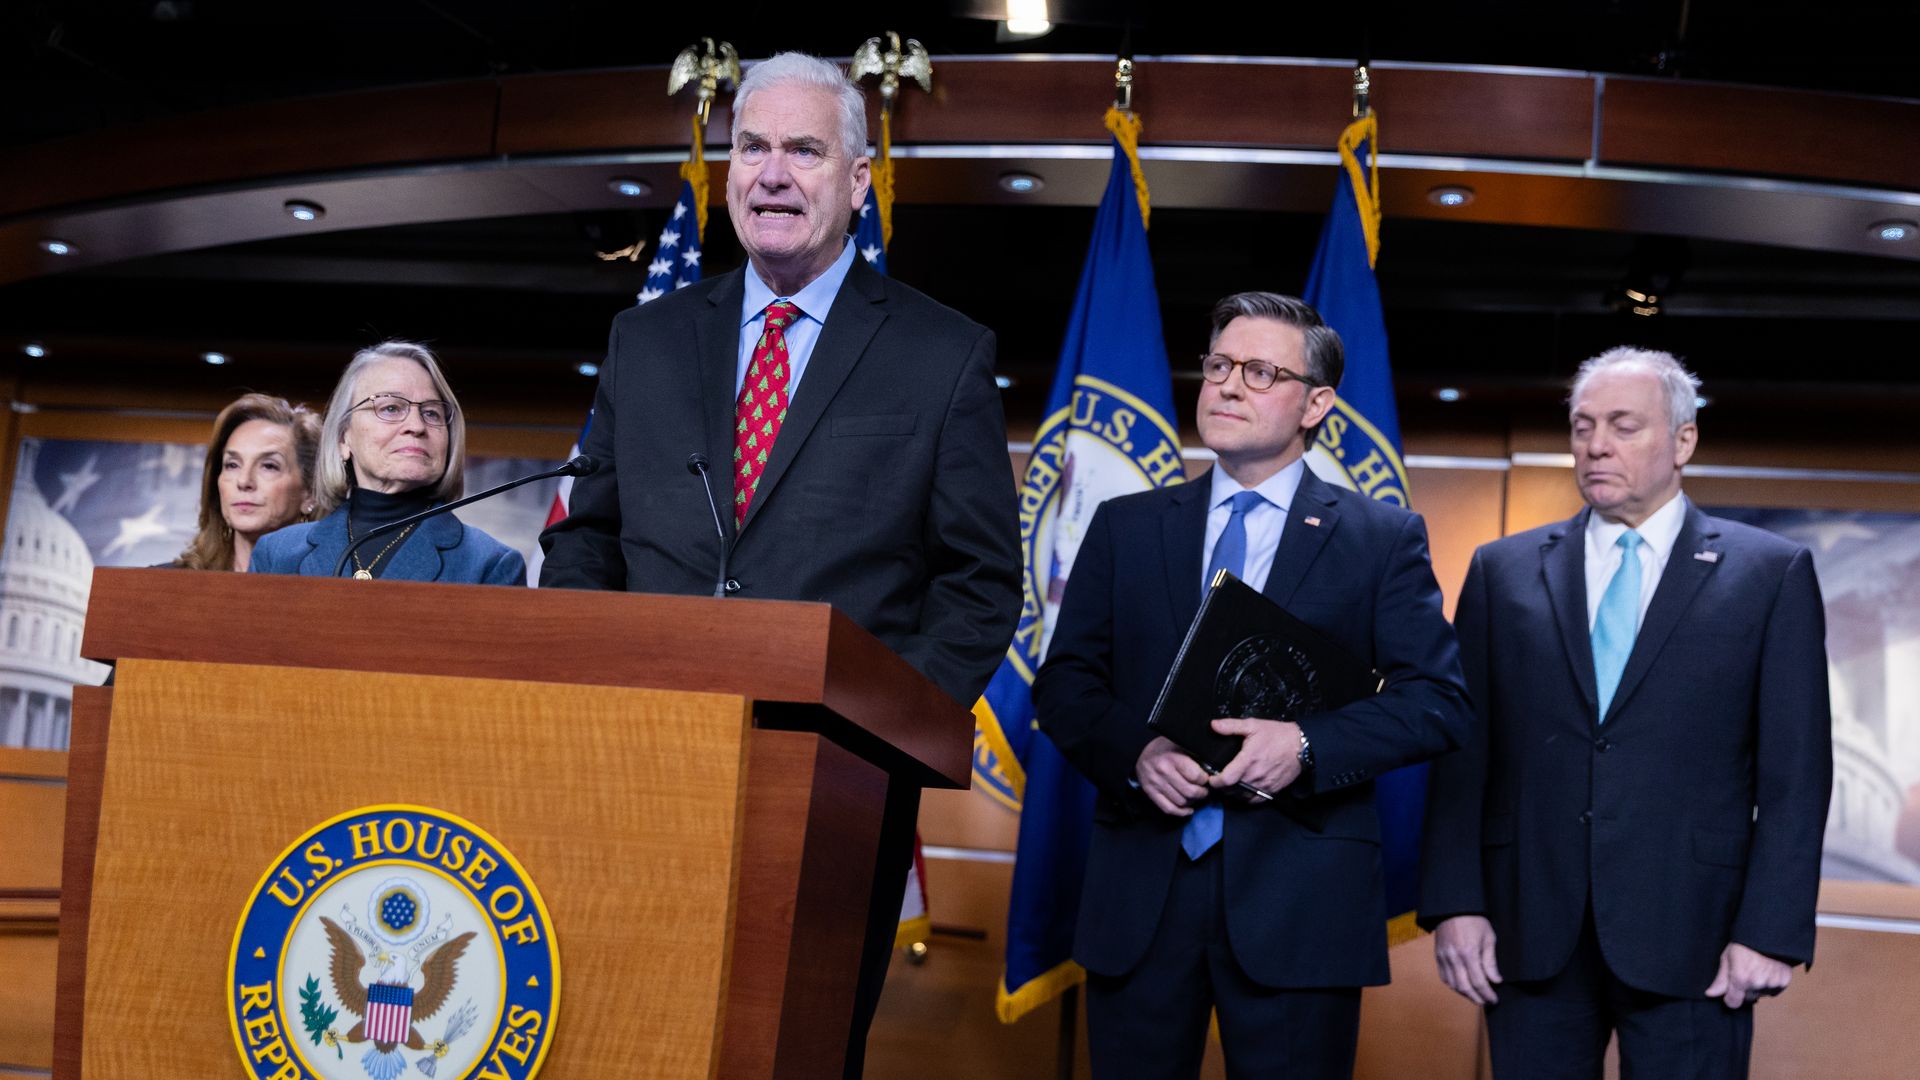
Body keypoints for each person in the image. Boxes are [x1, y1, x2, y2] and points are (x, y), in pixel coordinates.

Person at [537, 52, 1020, 1074]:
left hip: (836, 789)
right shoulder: (647, 338)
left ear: (858, 181)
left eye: (804, 150)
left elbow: (978, 581)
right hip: (647, 762)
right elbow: (586, 534)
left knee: (795, 1049)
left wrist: (883, 733)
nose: (771, 173)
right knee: (625, 1034)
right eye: (751, 147)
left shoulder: (943, 354)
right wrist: (601, 685)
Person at [1034, 292, 1471, 1078]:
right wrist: (1135, 754)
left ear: (1317, 403)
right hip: (1141, 893)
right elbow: (1064, 684)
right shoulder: (1125, 526)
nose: (1228, 386)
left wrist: (1306, 744)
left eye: (1261, 372)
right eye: (1219, 365)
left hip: (1302, 905)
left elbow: (1437, 703)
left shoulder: (1379, 539)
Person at [1420, 347, 1832, 1079]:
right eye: (1582, 426)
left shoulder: (1770, 574)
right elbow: (1464, 755)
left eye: (1622, 425)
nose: (1595, 444)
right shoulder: (1501, 571)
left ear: (1683, 440)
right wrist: (1456, 904)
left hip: (1698, 937)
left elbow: (1797, 776)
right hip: (1529, 932)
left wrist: (1770, 930)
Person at [251, 340, 525, 585]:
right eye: (391, 408)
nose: (416, 426)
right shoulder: (276, 555)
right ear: (343, 438)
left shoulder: (489, 565)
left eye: (431, 413)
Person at [172, 393, 322, 572]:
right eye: (232, 465)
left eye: (268, 466)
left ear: (311, 493)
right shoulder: (162, 585)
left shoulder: (336, 589)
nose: (244, 481)